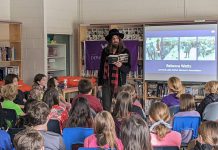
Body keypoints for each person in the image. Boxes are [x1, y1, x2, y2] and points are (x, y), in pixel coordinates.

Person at [98, 29, 131, 111]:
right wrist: (99, 83)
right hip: (106, 83)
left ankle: (118, 123)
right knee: (106, 106)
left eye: (117, 38)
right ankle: (108, 122)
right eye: (113, 38)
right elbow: (101, 67)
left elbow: (128, 69)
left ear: (119, 39)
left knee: (120, 107)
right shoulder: (105, 51)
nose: (115, 40)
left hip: (119, 84)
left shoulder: (125, 51)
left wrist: (121, 66)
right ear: (110, 40)